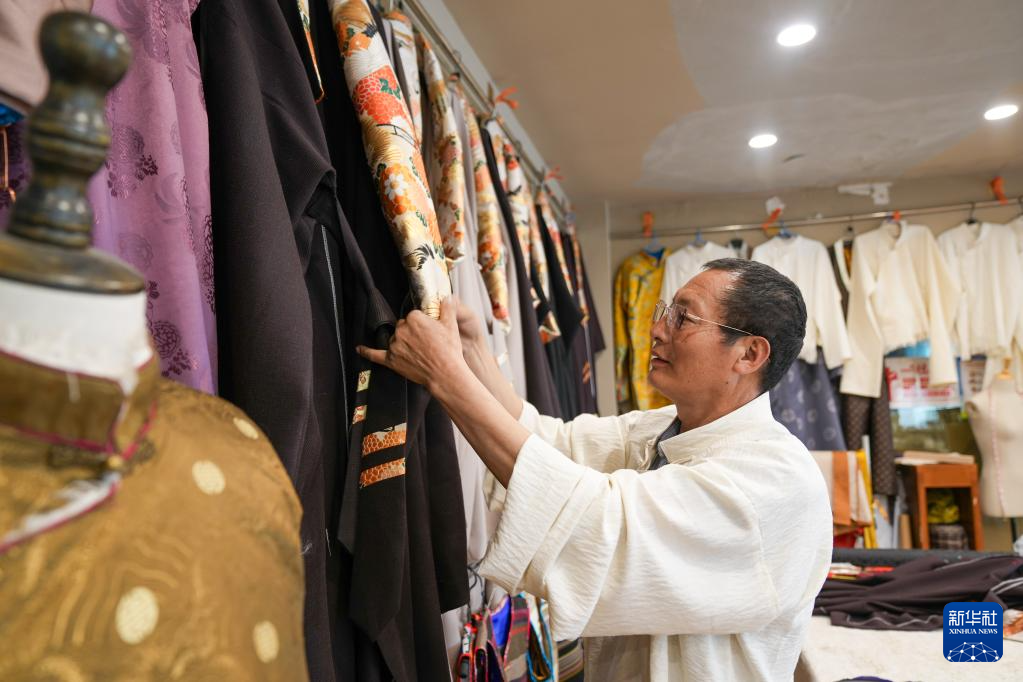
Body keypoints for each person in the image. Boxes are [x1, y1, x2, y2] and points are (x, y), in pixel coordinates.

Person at [358, 258, 832, 681]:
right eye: (665, 311)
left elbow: (599, 522)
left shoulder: (775, 481)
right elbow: (550, 445)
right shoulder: (661, 430)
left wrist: (447, 377)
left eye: (683, 318)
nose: (657, 329)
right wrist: (473, 354)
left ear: (749, 354)